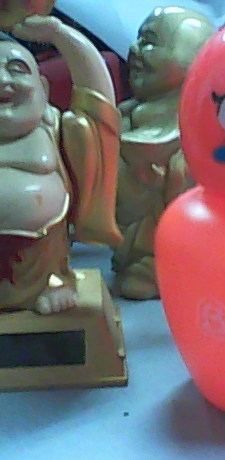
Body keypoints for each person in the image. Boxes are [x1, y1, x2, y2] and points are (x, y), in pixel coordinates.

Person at [0, 15, 122, 314]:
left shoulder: (56, 130)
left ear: (43, 88)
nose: (2, 81)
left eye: (16, 70)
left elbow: (99, 106)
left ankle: (56, 282)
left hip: (41, 264)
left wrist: (61, 35)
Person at [112, 6, 215, 300]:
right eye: (138, 38)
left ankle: (166, 266)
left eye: (149, 42)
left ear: (194, 59)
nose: (134, 49)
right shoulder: (121, 118)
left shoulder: (199, 136)